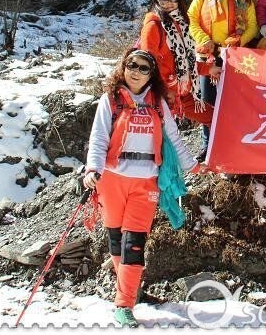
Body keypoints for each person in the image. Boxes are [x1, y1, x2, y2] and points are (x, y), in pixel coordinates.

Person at [83, 48, 201, 327]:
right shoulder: (111, 100)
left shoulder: (157, 103)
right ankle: (130, 290)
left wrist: (193, 165)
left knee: (134, 243)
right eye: (131, 65)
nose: (136, 72)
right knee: (116, 239)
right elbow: (99, 138)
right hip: (112, 178)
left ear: (151, 74)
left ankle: (124, 304)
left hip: (146, 180)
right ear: (123, 68)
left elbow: (173, 138)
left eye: (143, 68)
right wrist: (92, 169)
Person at [187, 0, 258, 158]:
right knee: (208, 103)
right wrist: (203, 39)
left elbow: (253, 26)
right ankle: (208, 145)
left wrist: (237, 41)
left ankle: (231, 144)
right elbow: (191, 17)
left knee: (232, 102)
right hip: (208, 55)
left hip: (233, 56)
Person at [138, 0, 221, 126]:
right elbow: (146, 65)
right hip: (163, 96)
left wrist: (209, 69)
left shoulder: (181, 24)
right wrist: (164, 90)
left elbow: (187, 63)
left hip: (184, 93)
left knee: (215, 119)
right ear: (156, 1)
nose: (169, 3)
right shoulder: (153, 26)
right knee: (161, 135)